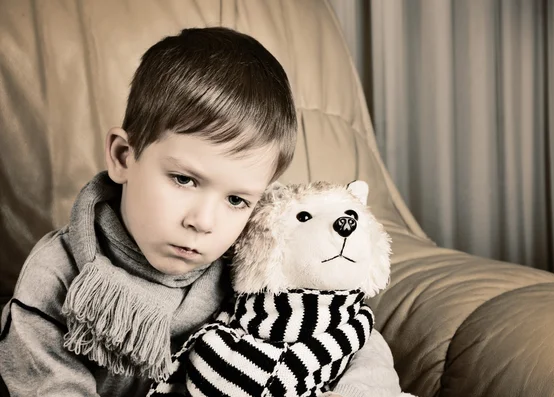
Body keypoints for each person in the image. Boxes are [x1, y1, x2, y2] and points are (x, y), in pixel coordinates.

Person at [0, 27, 401, 397]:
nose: (203, 223)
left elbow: (349, 338)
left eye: (236, 200)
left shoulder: (248, 263)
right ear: (124, 156)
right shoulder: (56, 274)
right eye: (184, 180)